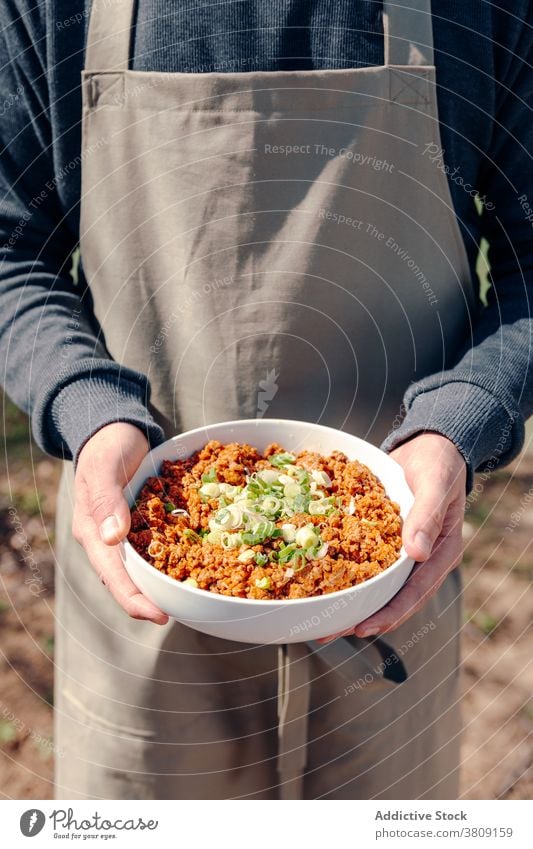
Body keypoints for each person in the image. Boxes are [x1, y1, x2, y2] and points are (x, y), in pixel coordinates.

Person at [0, 0, 531, 800]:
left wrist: (465, 415)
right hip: (142, 579)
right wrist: (85, 404)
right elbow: (11, 247)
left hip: (394, 576)